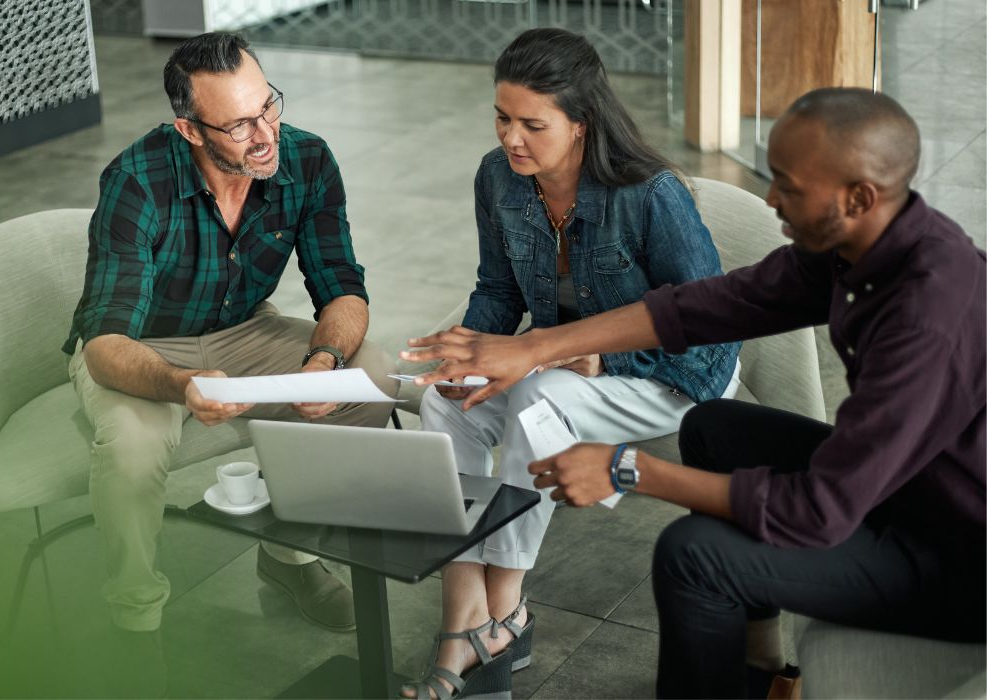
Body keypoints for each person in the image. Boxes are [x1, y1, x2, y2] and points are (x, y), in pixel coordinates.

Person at [403, 86, 986, 698]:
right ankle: (757, 673)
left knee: (692, 554)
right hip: (908, 492)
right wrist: (536, 347)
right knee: (718, 428)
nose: (770, 197)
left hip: (955, 558)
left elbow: (817, 511)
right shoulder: (865, 244)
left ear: (859, 196)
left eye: (787, 184)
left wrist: (629, 470)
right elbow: (710, 306)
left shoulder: (926, 315)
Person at [400, 28, 740, 700]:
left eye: (533, 124)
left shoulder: (650, 193)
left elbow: (709, 332)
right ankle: (466, 614)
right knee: (445, 401)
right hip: (562, 361)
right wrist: (467, 347)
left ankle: (503, 614)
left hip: (672, 373)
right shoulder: (498, 179)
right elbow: (499, 291)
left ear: (582, 124)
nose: (510, 138)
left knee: (539, 399)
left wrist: (604, 356)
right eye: (501, 117)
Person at [63, 32, 397, 688]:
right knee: (131, 446)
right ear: (189, 128)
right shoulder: (137, 179)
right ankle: (136, 620)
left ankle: (288, 556)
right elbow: (104, 345)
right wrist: (182, 383)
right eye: (241, 123)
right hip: (144, 347)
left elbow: (344, 291)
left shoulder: (306, 158)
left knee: (372, 375)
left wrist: (324, 359)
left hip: (244, 329)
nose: (265, 132)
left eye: (267, 106)